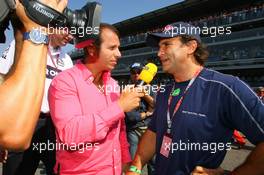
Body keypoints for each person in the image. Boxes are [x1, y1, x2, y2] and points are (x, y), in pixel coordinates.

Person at [126, 22, 264, 175]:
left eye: (166, 44)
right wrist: (136, 165)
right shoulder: (165, 91)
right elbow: (153, 132)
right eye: (159, 47)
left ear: (191, 47)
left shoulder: (227, 87)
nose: (159, 53)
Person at [48, 23, 145, 175]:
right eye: (112, 48)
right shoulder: (64, 81)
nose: (119, 54)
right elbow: (69, 134)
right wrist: (119, 107)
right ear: (92, 49)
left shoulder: (113, 83)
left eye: (118, 48)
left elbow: (120, 130)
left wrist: (126, 163)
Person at [0, 31, 73, 174]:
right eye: (67, 31)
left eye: (73, 33)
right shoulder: (22, 44)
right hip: (21, 122)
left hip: (52, 126)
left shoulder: (67, 60)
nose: (70, 36)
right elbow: (2, 80)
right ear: (52, 27)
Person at [0, 0, 68, 150]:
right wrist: (38, 29)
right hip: (25, 118)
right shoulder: (30, 39)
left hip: (50, 123)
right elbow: (13, 133)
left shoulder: (67, 59)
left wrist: (22, 31)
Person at [125, 62, 156, 175]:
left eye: (139, 72)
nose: (136, 75)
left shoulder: (150, 89)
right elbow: (130, 116)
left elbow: (157, 107)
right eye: (133, 72)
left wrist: (145, 95)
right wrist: (147, 114)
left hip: (150, 130)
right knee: (133, 164)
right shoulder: (127, 90)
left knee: (153, 163)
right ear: (130, 75)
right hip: (133, 130)